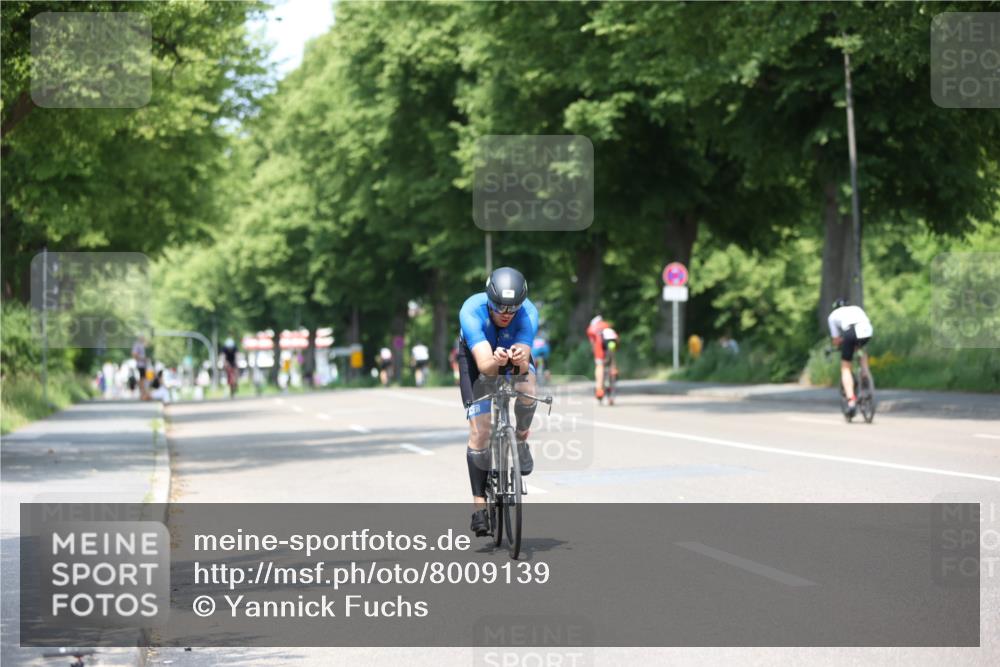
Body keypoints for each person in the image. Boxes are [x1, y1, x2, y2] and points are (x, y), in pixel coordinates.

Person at [458, 267, 539, 537]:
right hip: (479, 361)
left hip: (510, 358)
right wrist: (497, 361)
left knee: (528, 386)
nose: (506, 314)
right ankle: (479, 506)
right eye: (500, 308)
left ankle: (520, 437)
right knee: (481, 429)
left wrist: (516, 360)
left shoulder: (528, 313)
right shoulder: (472, 310)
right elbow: (485, 367)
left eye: (512, 309)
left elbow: (524, 365)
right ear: (489, 301)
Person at [828, 298, 874, 414]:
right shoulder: (856, 308)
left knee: (845, 368)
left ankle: (851, 401)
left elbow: (836, 340)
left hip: (851, 331)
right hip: (866, 330)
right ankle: (865, 374)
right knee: (860, 349)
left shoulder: (833, 315)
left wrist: (840, 345)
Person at [586, 315, 619, 401]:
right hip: (613, 341)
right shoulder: (607, 325)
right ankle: (613, 369)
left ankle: (599, 389)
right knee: (612, 356)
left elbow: (593, 344)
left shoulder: (591, 328)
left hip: (600, 344)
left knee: (599, 365)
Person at [131, 335, 149, 400]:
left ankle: (144, 394)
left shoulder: (142, 345)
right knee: (142, 379)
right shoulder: (137, 345)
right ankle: (142, 394)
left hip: (143, 365)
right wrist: (143, 358)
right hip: (140, 365)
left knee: (143, 379)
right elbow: (134, 354)